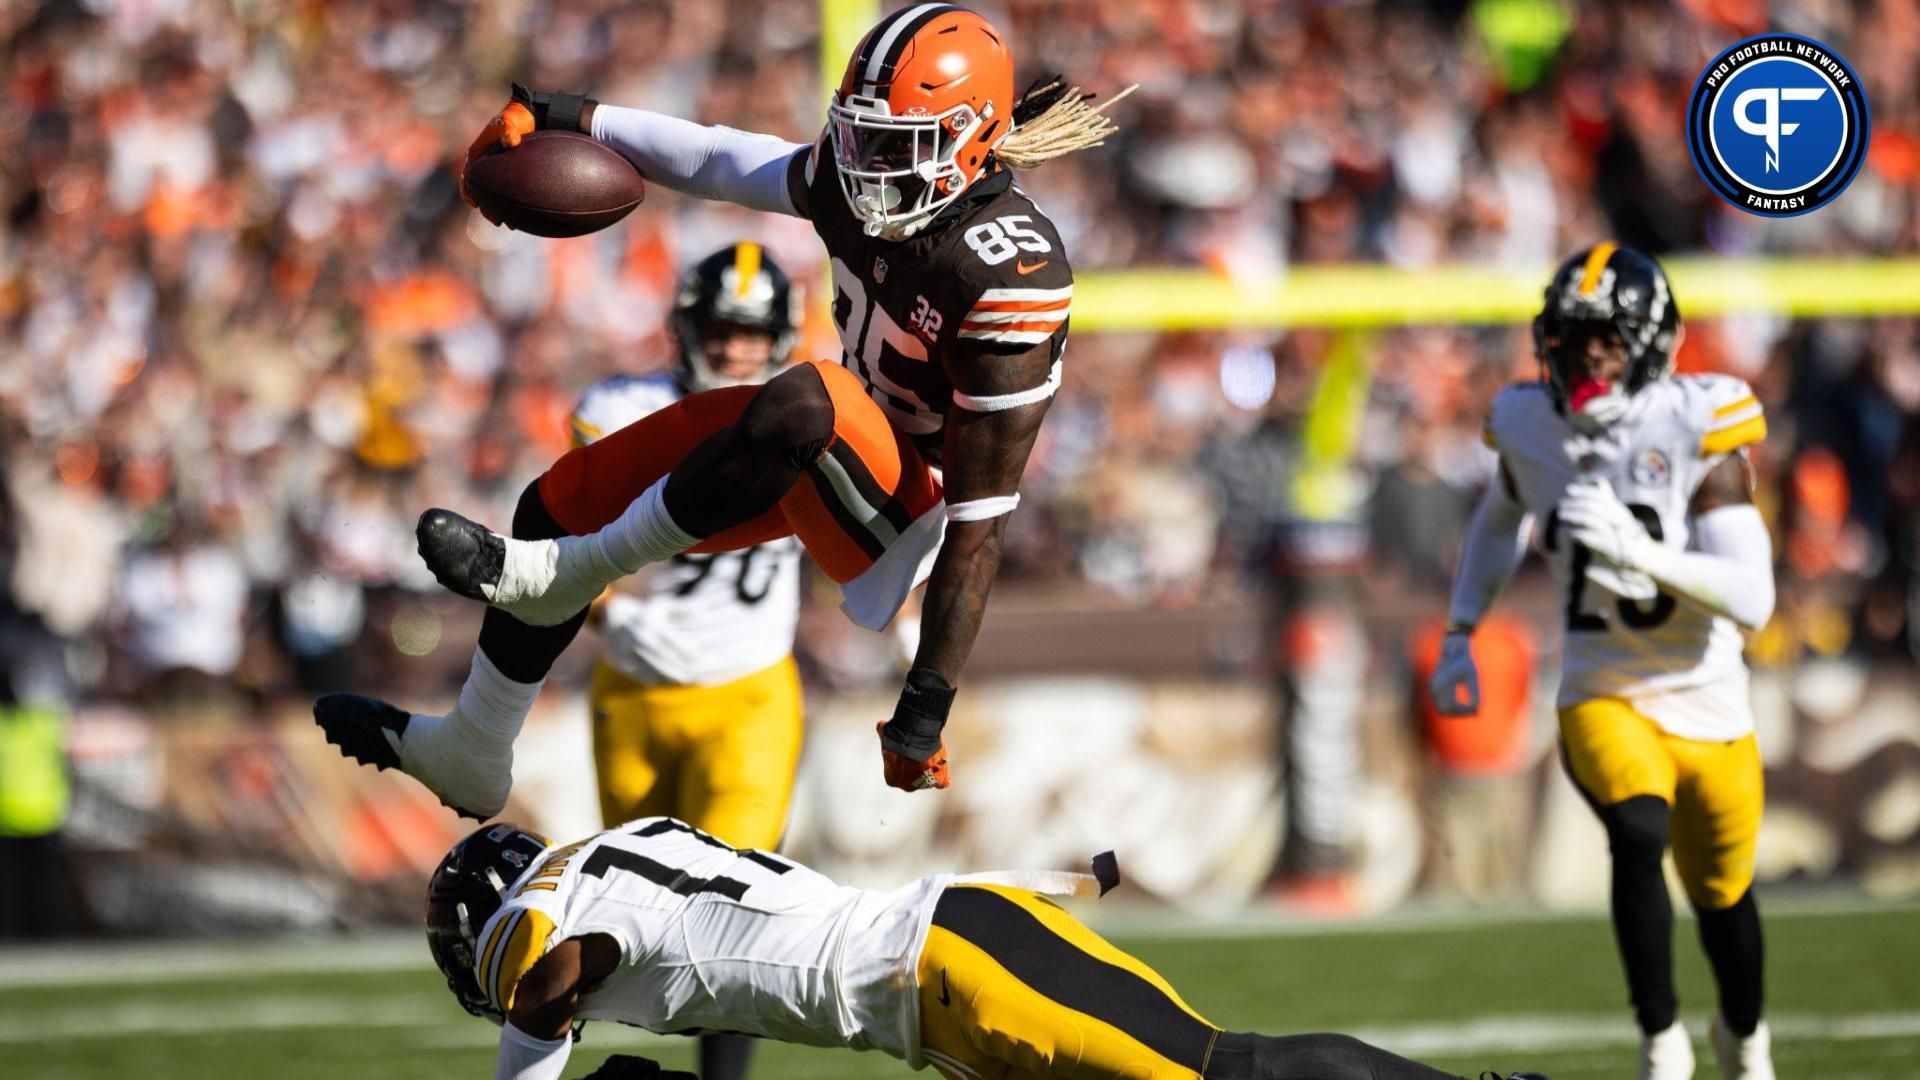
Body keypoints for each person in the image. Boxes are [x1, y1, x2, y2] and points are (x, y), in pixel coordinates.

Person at [317, 3, 1126, 819]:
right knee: (560, 500)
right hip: (817, 452)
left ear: (972, 137)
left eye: (897, 145)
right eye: (861, 135)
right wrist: (567, 113)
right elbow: (713, 155)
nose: (869, 164)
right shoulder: (862, 187)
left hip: (906, 515)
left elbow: (980, 526)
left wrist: (925, 706)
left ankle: (574, 572)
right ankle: (474, 746)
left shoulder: (1008, 276)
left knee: (809, 396)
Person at [427, 818, 1550, 1080]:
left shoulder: (550, 907)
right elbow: (720, 949)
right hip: (945, 972)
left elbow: (548, 973)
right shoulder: (628, 840)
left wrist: (528, 1053)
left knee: (1229, 1069)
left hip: (951, 973)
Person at [1429, 244, 1775, 1080]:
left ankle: (1746, 1037)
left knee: (1723, 895)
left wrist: (1638, 552)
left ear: (1654, 344)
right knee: (1636, 828)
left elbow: (1754, 599)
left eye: (1610, 341)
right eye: (1576, 340)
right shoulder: (1527, 421)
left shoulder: (1698, 422)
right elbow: (1499, 514)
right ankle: (1661, 1042)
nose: (1589, 358)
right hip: (1602, 688)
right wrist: (1459, 630)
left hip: (1708, 695)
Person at [573, 242, 808, 1080]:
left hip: (748, 694)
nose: (738, 348)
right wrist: (607, 617)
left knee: (732, 905)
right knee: (628, 909)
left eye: (754, 333)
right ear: (686, 327)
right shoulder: (623, 408)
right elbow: (560, 550)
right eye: (723, 328)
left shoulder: (813, 416)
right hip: (634, 690)